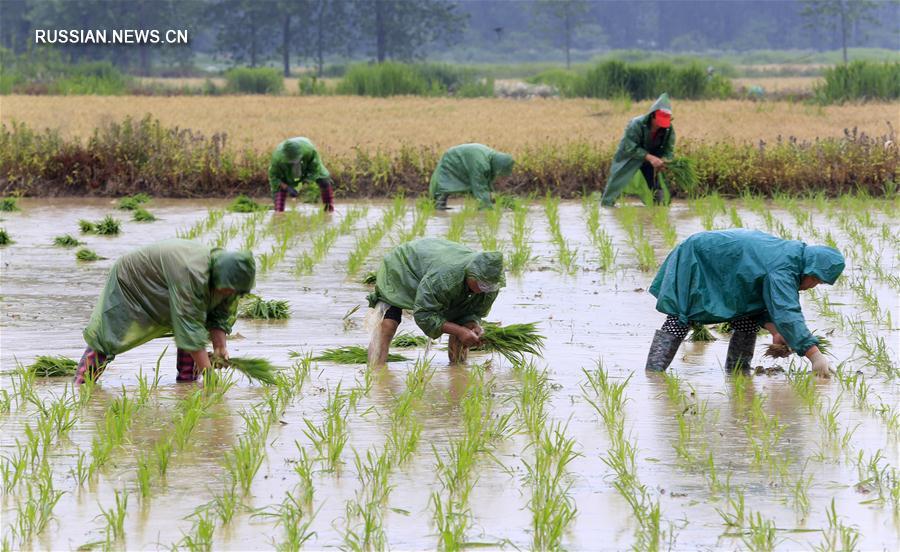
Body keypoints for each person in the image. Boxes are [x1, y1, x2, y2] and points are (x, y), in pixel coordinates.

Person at [644, 229, 845, 378]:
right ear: (810, 269)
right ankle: (653, 374)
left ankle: (738, 375)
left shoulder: (792, 260)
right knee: (681, 317)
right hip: (700, 257)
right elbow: (787, 312)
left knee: (746, 318)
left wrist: (775, 331)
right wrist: (814, 355)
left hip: (728, 267)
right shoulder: (784, 268)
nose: (813, 286)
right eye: (816, 280)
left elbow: (757, 301)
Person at [74, 239, 256, 384]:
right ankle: (81, 386)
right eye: (227, 290)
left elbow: (220, 315)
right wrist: (209, 376)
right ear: (219, 277)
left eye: (234, 292)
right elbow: (188, 326)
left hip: (166, 282)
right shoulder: (191, 273)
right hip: (132, 279)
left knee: (194, 323)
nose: (230, 295)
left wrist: (220, 348)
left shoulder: (230, 280)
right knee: (110, 333)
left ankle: (187, 384)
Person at [366, 238, 505, 367]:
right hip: (404, 266)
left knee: (466, 330)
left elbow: (473, 313)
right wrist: (459, 330)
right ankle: (376, 374)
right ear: (471, 273)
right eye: (481, 284)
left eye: (489, 286)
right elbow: (424, 314)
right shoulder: (444, 278)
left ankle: (458, 373)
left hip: (433, 267)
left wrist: (473, 326)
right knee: (389, 324)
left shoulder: (490, 287)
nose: (483, 289)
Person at [601, 93, 675, 206]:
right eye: (660, 121)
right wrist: (650, 158)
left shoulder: (668, 129)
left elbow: (669, 149)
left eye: (665, 122)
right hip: (629, 158)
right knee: (616, 185)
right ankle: (607, 207)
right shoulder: (636, 124)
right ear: (652, 116)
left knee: (658, 189)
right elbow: (630, 147)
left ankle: (658, 208)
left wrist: (665, 161)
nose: (662, 125)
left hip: (652, 161)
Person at [429, 143, 515, 210]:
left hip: (467, 159)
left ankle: (438, 205)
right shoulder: (481, 164)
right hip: (453, 159)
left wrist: (506, 203)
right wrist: (487, 208)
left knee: (483, 191)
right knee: (444, 183)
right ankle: (437, 205)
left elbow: (486, 186)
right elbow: (479, 188)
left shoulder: (491, 160)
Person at [268, 137, 334, 213]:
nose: (294, 162)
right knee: (278, 206)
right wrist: (287, 188)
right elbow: (274, 178)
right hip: (286, 170)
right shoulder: (277, 159)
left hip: (307, 164)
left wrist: (302, 185)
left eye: (295, 159)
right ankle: (278, 214)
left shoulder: (309, 150)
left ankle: (329, 210)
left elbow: (315, 170)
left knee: (324, 181)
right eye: (291, 161)